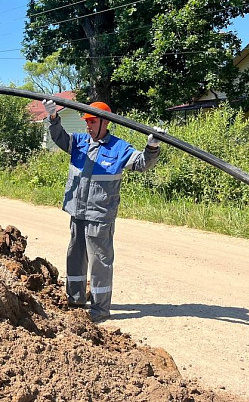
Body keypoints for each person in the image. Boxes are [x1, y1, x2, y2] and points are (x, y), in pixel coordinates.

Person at [43, 99, 162, 322]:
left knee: (100, 262)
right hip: (77, 211)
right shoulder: (79, 142)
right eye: (86, 121)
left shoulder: (119, 148)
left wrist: (152, 147)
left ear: (105, 122)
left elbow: (142, 163)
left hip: (100, 215)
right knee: (75, 256)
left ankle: (99, 309)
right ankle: (75, 299)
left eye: (92, 121)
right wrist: (53, 119)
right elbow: (60, 138)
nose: (88, 126)